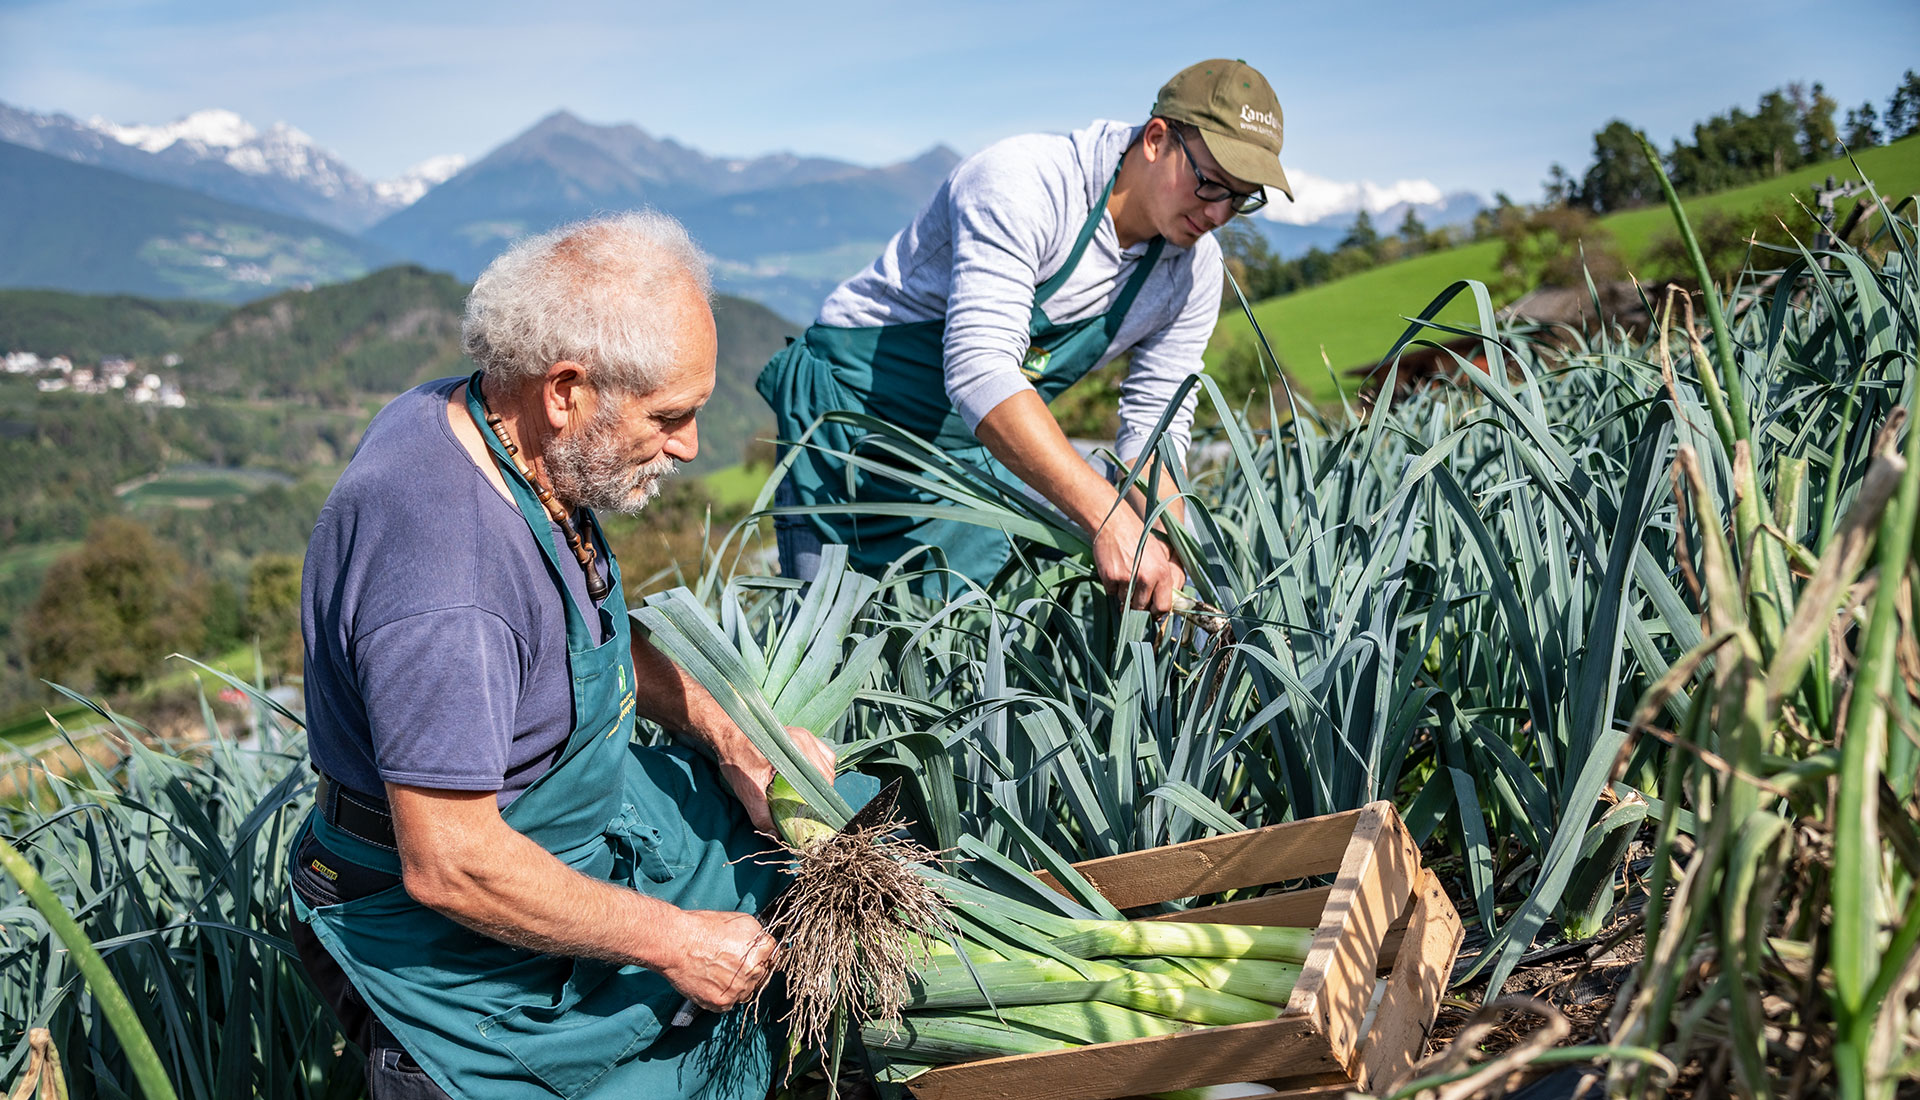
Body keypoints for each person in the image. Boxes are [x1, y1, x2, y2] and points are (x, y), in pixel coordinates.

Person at [288, 211, 837, 1099]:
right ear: (566, 391)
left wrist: (740, 742)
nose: (692, 445)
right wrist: (676, 941)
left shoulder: (495, 426)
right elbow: (453, 861)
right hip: (443, 917)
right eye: (670, 416)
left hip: (564, 812)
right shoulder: (445, 581)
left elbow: (594, 627)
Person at [759, 58, 1293, 610]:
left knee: (931, 646)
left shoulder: (1192, 269)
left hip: (972, 441)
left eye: (1242, 197)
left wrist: (1164, 536)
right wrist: (1108, 517)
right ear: (1157, 139)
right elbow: (980, 368)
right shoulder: (1023, 182)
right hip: (848, 418)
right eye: (1210, 184)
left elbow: (1158, 417)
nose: (1219, 212)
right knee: (825, 644)